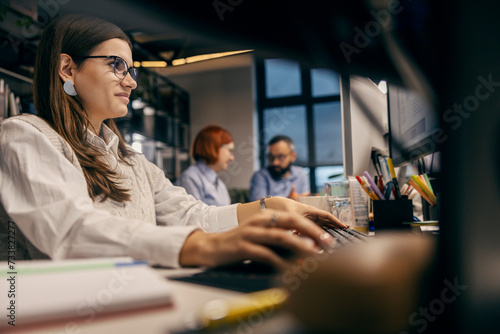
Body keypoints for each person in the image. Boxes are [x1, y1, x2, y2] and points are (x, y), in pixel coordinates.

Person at [0, 14, 346, 270]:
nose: (131, 83)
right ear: (67, 69)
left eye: (131, 70)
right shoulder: (25, 136)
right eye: (117, 65)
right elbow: (72, 232)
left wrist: (272, 207)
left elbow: (192, 215)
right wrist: (205, 248)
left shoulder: (131, 161)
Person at [175, 125, 233, 206]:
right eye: (229, 150)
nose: (232, 158)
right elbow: (195, 217)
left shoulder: (220, 184)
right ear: (213, 147)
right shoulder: (189, 178)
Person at [250, 135, 311, 202]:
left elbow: (306, 202)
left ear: (293, 156)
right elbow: (257, 207)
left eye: (281, 156)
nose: (275, 163)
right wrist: (289, 202)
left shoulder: (301, 173)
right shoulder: (260, 176)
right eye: (271, 157)